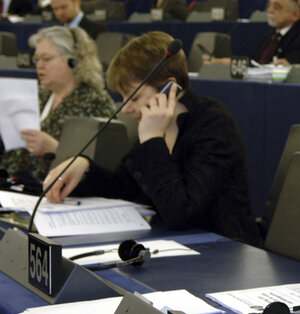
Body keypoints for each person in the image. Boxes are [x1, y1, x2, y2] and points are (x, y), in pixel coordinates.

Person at [44, 31, 261, 245]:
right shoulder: (153, 125)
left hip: (225, 252)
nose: (126, 108)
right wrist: (84, 167)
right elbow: (125, 188)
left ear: (169, 89)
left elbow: (181, 213)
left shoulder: (213, 124)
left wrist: (152, 139)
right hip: (176, 248)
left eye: (135, 97)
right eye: (123, 98)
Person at [0, 26, 114, 182]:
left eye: (46, 59)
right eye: (37, 59)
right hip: (18, 185)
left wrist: (55, 148)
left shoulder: (96, 101)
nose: (39, 65)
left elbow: (103, 164)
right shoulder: (37, 95)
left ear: (74, 60)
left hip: (60, 192)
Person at [206, 0, 300, 66]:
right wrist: (219, 62)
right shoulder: (270, 36)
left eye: (277, 7)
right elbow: (254, 63)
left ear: (295, 14)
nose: (269, 10)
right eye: (269, 5)